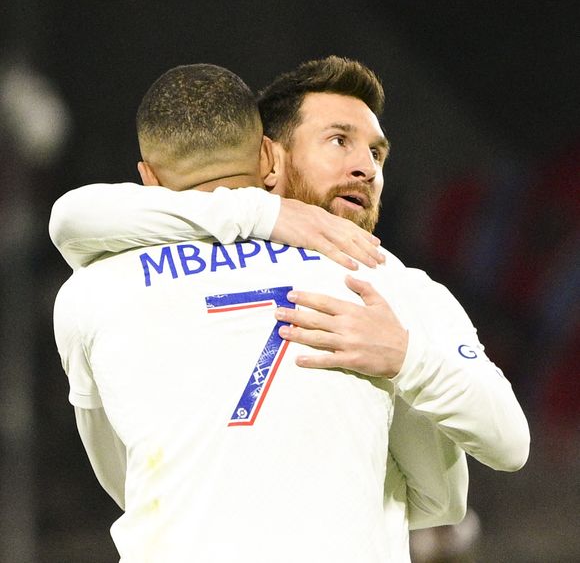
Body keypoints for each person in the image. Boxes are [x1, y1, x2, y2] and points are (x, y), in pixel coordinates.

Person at [52, 63, 470, 563]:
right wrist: (263, 212)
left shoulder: (91, 289)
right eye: (339, 141)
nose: (364, 166)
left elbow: (120, 473)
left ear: (147, 178)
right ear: (269, 156)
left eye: (373, 152)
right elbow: (457, 488)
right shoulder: (366, 277)